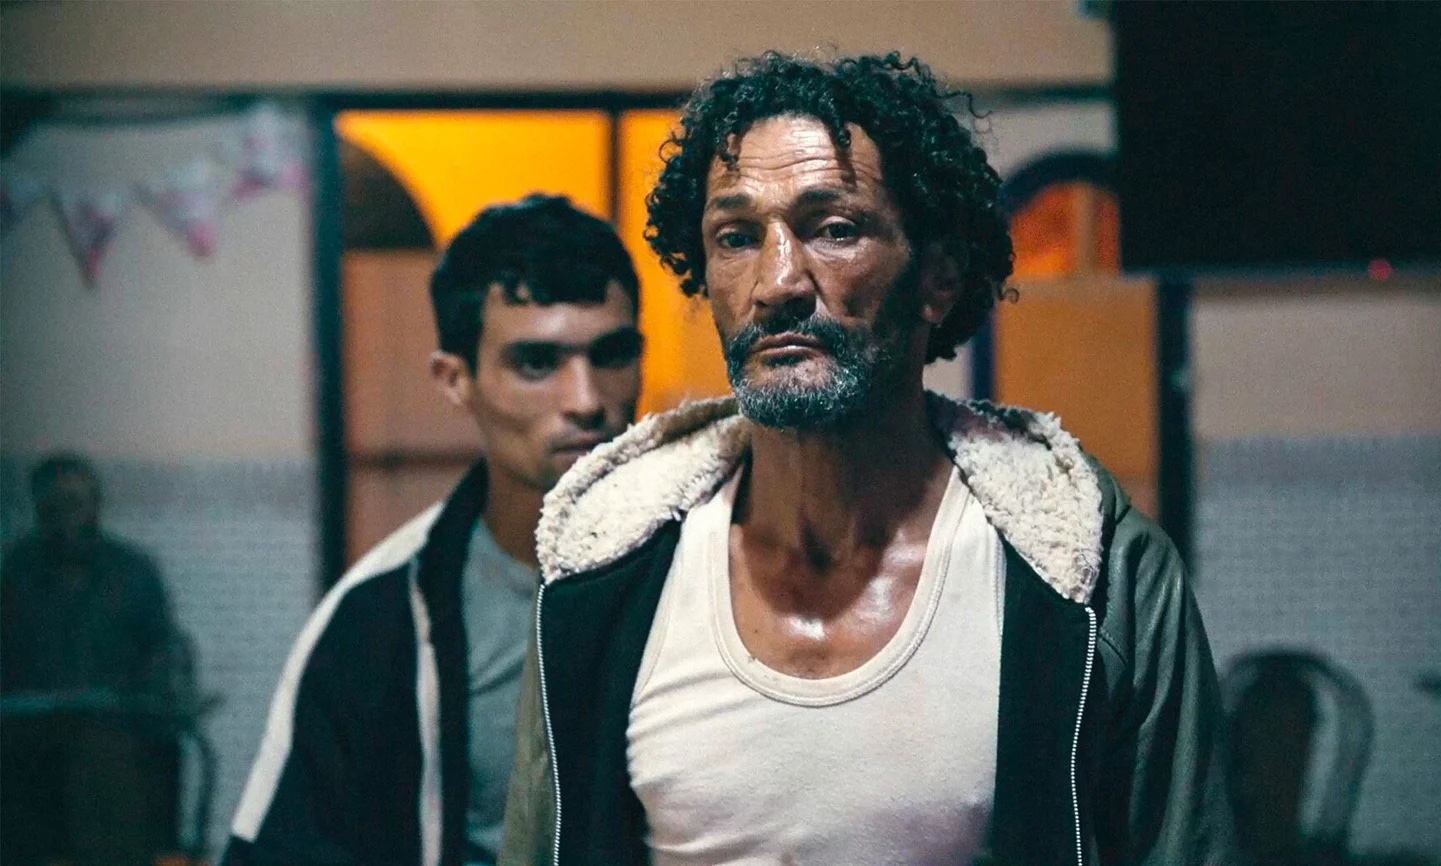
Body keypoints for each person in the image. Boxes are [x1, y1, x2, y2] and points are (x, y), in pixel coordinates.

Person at [499, 53, 1236, 865]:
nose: (778, 282)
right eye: (737, 237)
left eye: (834, 229)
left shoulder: (1092, 577)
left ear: (938, 279)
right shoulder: (605, 576)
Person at [223, 195, 645, 866]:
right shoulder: (380, 615)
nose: (587, 400)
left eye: (612, 354)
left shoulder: (719, 567)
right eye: (537, 363)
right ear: (456, 380)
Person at [1, 453, 186, 866]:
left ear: (96, 505)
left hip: (117, 729)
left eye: (77, 501)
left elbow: (161, 649)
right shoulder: (15, 574)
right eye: (55, 504)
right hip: (29, 735)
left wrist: (145, 696)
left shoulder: (132, 573)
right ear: (39, 507)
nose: (67, 515)